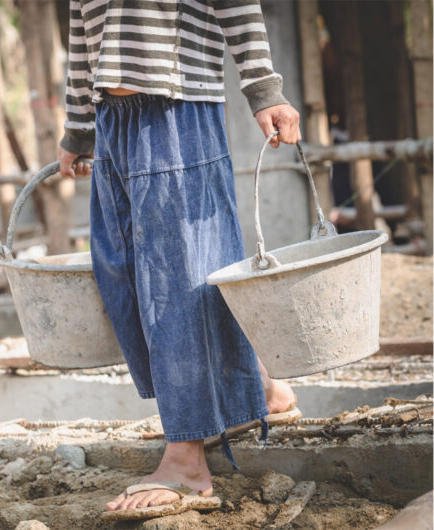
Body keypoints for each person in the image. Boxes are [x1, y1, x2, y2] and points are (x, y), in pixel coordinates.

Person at [57, 0, 302, 520]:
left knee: (173, 283)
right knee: (121, 274)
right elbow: (82, 36)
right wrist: (79, 128)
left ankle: (187, 458)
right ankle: (258, 390)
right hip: (112, 118)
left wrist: (264, 89)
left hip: (176, 110)